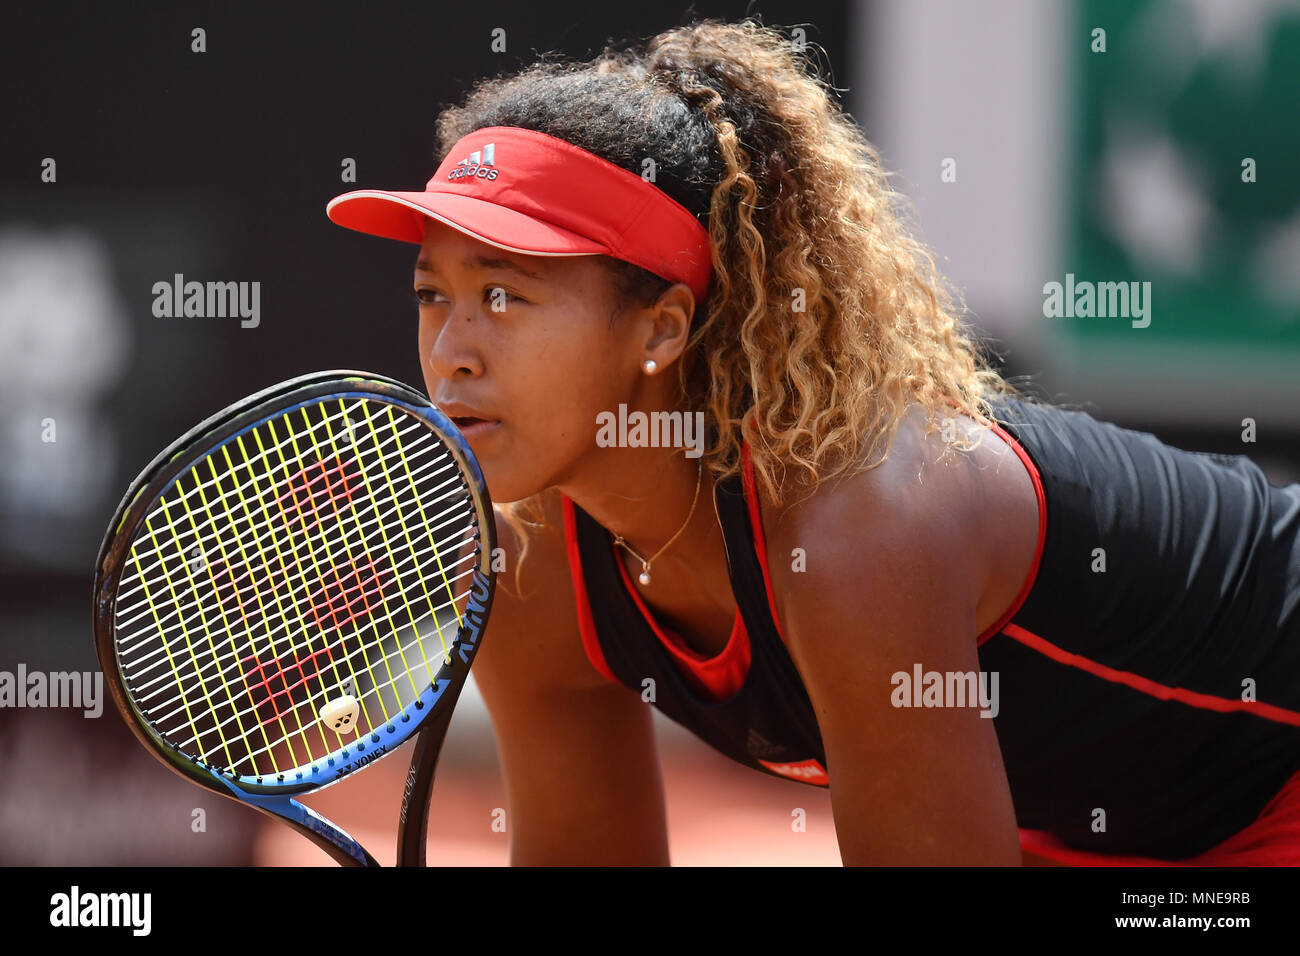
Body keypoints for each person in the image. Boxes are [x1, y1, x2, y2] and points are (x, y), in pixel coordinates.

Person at [326, 19, 1300, 865]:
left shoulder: (852, 534)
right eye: (431, 296)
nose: (450, 351)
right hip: (1095, 827)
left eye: (504, 295)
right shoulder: (525, 558)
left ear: (661, 329)